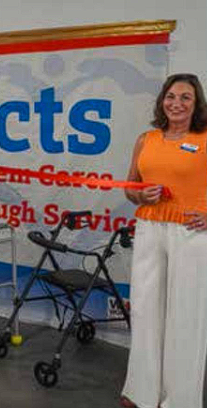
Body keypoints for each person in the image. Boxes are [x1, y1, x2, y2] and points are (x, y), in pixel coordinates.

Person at [121, 73, 207, 408]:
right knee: (145, 311)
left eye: (186, 97)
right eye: (171, 96)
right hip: (149, 229)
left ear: (197, 104)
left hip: (192, 233)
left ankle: (180, 400)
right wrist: (140, 196)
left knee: (185, 317)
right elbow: (131, 187)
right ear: (162, 101)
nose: (177, 103)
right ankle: (141, 392)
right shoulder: (146, 139)